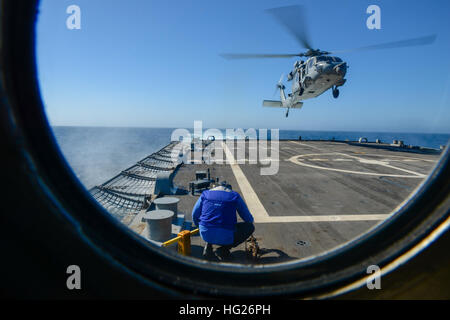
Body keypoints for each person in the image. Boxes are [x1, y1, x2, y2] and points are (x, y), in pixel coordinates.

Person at [192, 181, 255, 260]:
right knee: (250, 227)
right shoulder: (235, 196)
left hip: (205, 233)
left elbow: (194, 214)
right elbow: (248, 219)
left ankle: (208, 247)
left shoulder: (205, 194)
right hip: (227, 235)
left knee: (210, 223)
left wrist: (200, 227)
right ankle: (224, 249)